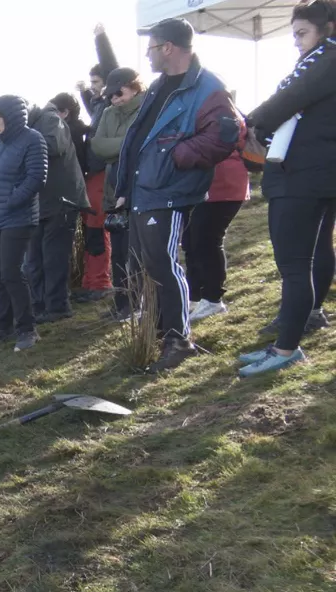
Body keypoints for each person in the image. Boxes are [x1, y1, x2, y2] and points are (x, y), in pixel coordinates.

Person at [115, 17, 243, 372]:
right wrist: (127, 187)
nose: (148, 54)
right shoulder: (158, 86)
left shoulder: (208, 87)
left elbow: (225, 135)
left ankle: (178, 340)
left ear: (168, 47)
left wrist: (175, 157)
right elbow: (140, 139)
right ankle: (156, 336)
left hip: (170, 190)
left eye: (152, 46)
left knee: (162, 263)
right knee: (142, 265)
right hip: (144, 190)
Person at [240, 0, 336, 376]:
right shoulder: (323, 57)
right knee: (307, 258)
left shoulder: (325, 57)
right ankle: (290, 337)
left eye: (301, 33)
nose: (296, 42)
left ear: (326, 28)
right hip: (315, 173)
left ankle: (285, 350)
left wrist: (250, 123)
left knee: (295, 266)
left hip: (303, 175)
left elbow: (287, 100)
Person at [0, 96, 48, 352]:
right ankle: (1, 326)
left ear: (11, 117)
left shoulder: (32, 139)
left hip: (18, 217)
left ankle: (27, 329)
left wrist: (10, 201)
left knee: (11, 273)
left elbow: (37, 178)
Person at [26, 101, 90, 324]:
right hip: (38, 204)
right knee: (34, 259)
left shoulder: (51, 120)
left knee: (54, 258)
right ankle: (39, 305)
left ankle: (58, 306)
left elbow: (54, 146)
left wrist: (24, 142)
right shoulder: (25, 129)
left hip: (62, 201)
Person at [91, 68, 146, 323]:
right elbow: (98, 146)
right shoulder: (108, 113)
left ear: (133, 86)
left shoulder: (147, 107)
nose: (113, 98)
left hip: (140, 188)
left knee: (138, 251)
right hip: (114, 191)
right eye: (109, 94)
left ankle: (138, 303)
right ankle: (121, 303)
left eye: (118, 92)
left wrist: (119, 146)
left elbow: (142, 145)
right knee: (119, 254)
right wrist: (125, 144)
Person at [77, 24, 122, 304]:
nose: (94, 88)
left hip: (105, 173)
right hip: (95, 172)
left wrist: (101, 39)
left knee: (99, 227)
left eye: (97, 83)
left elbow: (112, 65)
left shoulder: (113, 102)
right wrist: (85, 94)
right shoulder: (100, 106)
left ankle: (100, 283)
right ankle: (91, 281)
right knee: (92, 228)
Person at [184, 136, 249, 323]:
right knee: (191, 242)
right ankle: (194, 296)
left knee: (207, 242)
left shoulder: (221, 112)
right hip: (200, 186)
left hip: (223, 185)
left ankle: (213, 299)